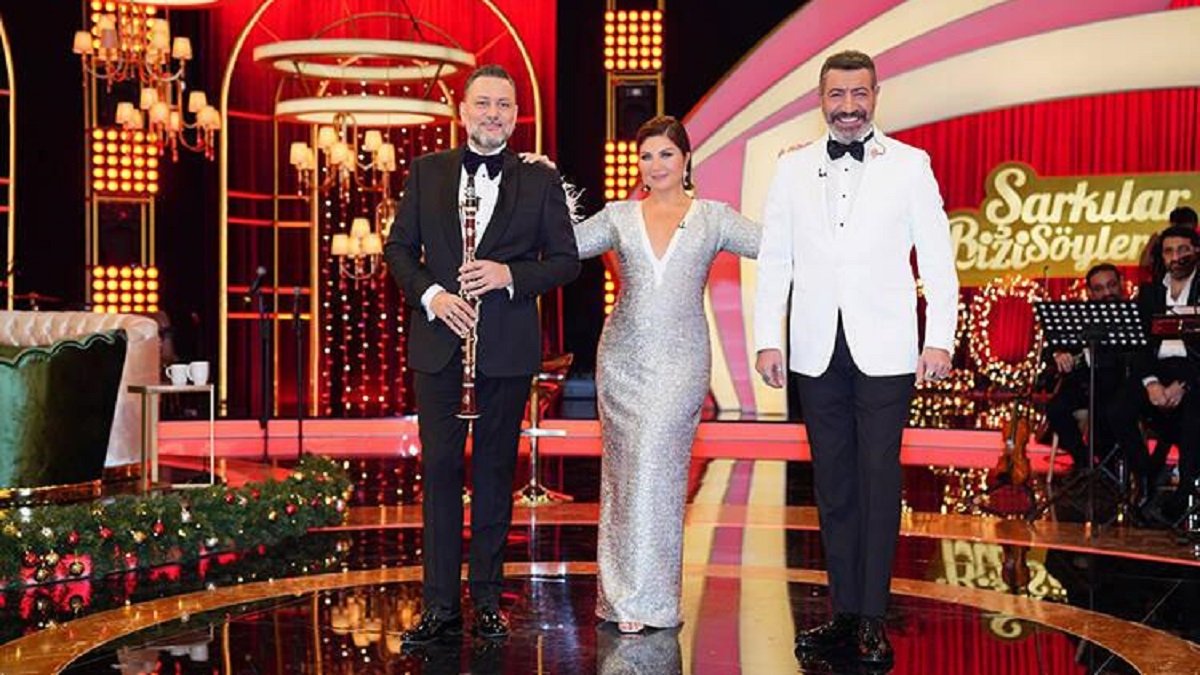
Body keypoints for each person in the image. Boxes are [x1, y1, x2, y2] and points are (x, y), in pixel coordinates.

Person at [753, 51, 958, 667]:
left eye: (859, 94)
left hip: (887, 348)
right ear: (821, 99)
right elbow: (776, 261)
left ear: (876, 96)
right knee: (834, 485)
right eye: (837, 95)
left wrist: (939, 338)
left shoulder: (912, 166)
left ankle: (872, 617)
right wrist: (768, 338)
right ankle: (844, 613)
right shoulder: (791, 168)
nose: (848, 107)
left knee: (877, 478)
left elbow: (937, 260)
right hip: (816, 349)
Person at [384, 63, 580, 643]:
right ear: (463, 110)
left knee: (495, 475)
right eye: (484, 103)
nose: (493, 114)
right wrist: (434, 296)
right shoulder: (427, 171)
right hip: (440, 347)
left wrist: (509, 274)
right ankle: (440, 606)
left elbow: (565, 261)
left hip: (506, 351)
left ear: (515, 116)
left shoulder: (540, 179)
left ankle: (488, 600)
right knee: (440, 475)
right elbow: (399, 249)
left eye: (504, 105)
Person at [574, 115, 760, 634]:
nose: (655, 165)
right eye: (647, 156)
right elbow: (564, 244)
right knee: (624, 475)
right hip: (622, 359)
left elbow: (773, 244)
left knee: (658, 469)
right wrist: (539, 185)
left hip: (681, 362)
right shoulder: (618, 216)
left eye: (666, 154)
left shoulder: (713, 218)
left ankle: (652, 599)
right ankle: (620, 598)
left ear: (685, 159)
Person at [1107, 225, 1200, 526]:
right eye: (1169, 251)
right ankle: (1146, 476)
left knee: (1193, 415)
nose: (1176, 257)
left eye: (1183, 250)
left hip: (1193, 370)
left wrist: (1183, 385)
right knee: (1118, 411)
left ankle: (1184, 492)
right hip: (1156, 369)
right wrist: (1151, 383)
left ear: (1195, 251)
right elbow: (1140, 346)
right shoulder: (1150, 293)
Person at [1043, 263, 1127, 472]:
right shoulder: (1078, 315)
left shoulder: (1134, 312)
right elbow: (1053, 347)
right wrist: (1059, 354)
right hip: (1082, 384)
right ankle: (1083, 462)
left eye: (1111, 285)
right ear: (1089, 292)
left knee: (1107, 411)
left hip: (1120, 384)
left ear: (1121, 284)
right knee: (1055, 408)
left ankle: (1109, 468)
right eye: (1099, 289)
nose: (1107, 293)